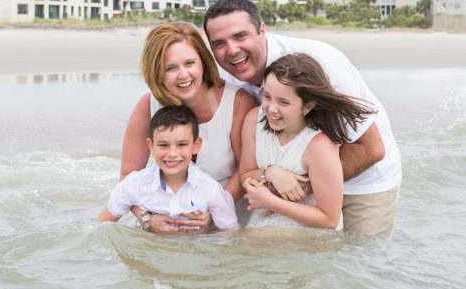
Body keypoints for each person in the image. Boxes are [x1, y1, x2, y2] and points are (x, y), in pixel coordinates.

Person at [204, 0, 402, 238]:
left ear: (262, 30)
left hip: (362, 182)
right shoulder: (231, 77)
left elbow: (371, 148)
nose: (232, 50)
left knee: (360, 264)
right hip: (286, 187)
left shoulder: (323, 67)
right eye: (219, 43)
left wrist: (300, 187)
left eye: (240, 36)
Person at [120, 22, 256, 233]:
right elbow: (128, 177)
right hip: (166, 224)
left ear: (203, 62)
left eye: (189, 63)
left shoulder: (238, 102)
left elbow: (245, 170)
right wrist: (147, 218)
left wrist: (213, 213)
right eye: (170, 68)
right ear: (157, 72)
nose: (183, 75)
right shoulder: (147, 106)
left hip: (226, 225)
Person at [240, 53, 376, 230]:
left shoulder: (319, 146)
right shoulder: (254, 120)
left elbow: (329, 219)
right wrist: (270, 173)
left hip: (308, 237)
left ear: (308, 106)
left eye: (283, 102)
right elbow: (244, 176)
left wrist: (271, 201)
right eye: (267, 96)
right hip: (264, 227)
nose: (271, 108)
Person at [99, 106, 239, 232]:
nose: (172, 154)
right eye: (163, 145)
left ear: (196, 145)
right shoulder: (134, 184)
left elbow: (230, 236)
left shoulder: (211, 191)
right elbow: (101, 227)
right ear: (151, 145)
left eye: (182, 145)